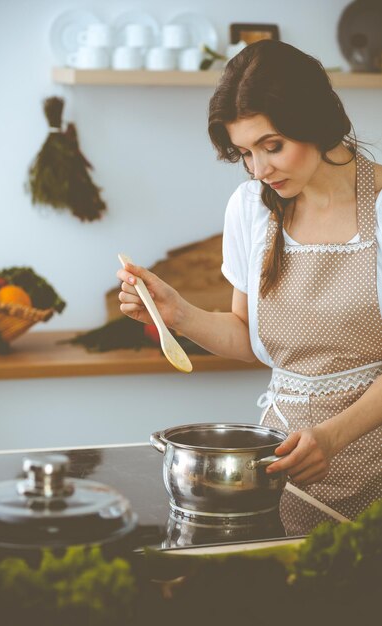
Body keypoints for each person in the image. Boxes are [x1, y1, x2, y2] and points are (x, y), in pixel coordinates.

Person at [116, 39, 382, 534]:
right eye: (245, 153)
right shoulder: (252, 208)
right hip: (287, 466)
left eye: (272, 146)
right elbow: (248, 338)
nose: (260, 170)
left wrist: (331, 437)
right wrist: (177, 313)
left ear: (318, 122)